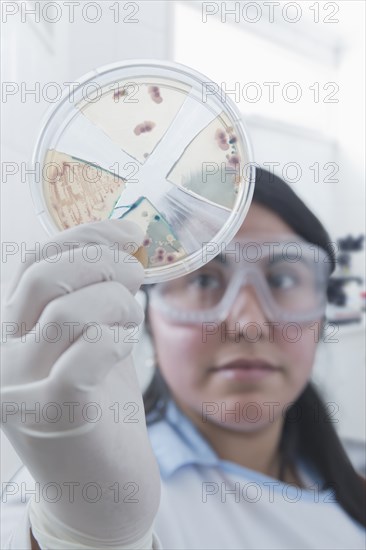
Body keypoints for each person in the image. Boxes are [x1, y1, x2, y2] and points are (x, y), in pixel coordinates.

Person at [1, 168, 365, 550]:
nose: (249, 324)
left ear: (320, 316)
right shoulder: (68, 492)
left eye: (283, 280)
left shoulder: (351, 479)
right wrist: (87, 537)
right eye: (205, 280)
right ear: (149, 316)